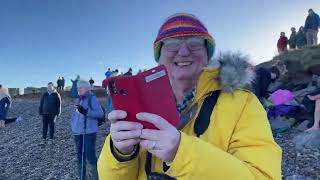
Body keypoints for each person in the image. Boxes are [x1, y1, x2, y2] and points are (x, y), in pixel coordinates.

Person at [98, 13, 282, 179]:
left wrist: (182, 153)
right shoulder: (138, 105)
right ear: (159, 56)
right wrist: (120, 154)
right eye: (172, 44)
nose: (184, 51)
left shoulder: (244, 104)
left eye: (194, 43)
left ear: (207, 54)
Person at [71, 80, 104, 180]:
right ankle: (82, 177)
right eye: (77, 88)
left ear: (87, 88)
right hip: (77, 132)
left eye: (80, 87)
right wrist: (73, 125)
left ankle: (96, 177)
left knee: (90, 157)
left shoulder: (92, 98)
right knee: (79, 156)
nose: (78, 89)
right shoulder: (79, 99)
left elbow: (100, 114)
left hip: (88, 132)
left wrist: (86, 111)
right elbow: (76, 114)